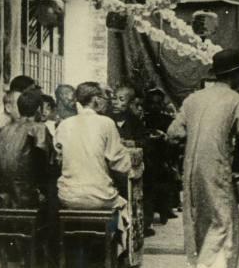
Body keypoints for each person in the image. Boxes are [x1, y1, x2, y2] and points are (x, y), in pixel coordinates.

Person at [167, 49, 239, 268]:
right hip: (216, 167)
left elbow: (173, 133)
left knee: (199, 220)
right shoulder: (236, 101)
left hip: (191, 169)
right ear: (235, 75)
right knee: (222, 222)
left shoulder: (193, 99)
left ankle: (201, 262)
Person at [55, 82, 131, 210]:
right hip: (100, 196)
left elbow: (59, 158)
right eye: (105, 98)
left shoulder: (64, 125)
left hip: (67, 196)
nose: (108, 102)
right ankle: (120, 229)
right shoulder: (106, 123)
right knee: (125, 206)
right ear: (96, 100)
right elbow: (120, 164)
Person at [0, 91, 52, 208]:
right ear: (38, 110)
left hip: (0, 199)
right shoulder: (39, 129)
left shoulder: (1, 131)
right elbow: (48, 164)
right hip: (28, 197)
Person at [110, 85, 158, 237]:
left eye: (121, 99)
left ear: (130, 103)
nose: (115, 102)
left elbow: (146, 142)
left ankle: (139, 225)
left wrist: (133, 143)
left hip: (131, 167)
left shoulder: (135, 121)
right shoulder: (106, 119)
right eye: (114, 98)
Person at [143, 88, 179, 222]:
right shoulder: (143, 119)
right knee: (150, 186)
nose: (154, 107)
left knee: (165, 184)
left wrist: (164, 137)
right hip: (149, 156)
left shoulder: (167, 120)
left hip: (163, 155)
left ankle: (165, 210)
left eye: (158, 104)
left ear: (162, 105)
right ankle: (150, 214)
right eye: (152, 103)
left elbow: (174, 139)